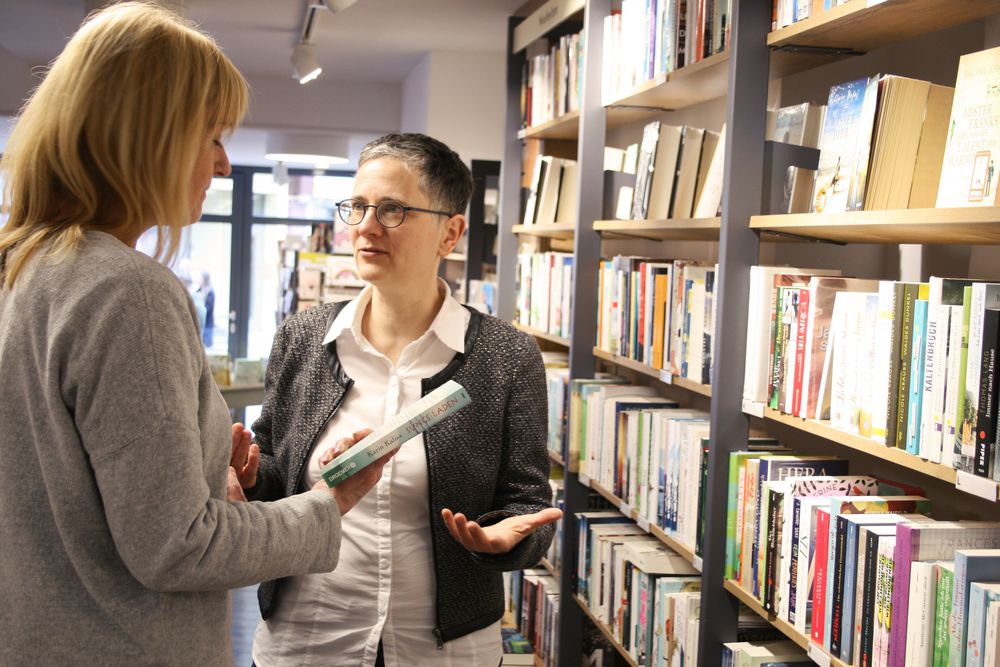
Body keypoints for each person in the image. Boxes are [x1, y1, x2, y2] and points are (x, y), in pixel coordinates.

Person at [0, 4, 388, 664]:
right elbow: (179, 547)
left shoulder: (24, 266)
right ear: (146, 137)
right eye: (211, 137)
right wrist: (328, 503)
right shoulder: (128, 292)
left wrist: (204, 465)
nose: (224, 165)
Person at [240, 132, 562, 666]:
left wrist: (506, 542)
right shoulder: (303, 339)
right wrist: (252, 477)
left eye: (392, 210)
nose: (366, 226)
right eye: (358, 206)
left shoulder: (506, 356)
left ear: (450, 233)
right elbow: (276, 474)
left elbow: (527, 504)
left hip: (443, 652)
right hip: (309, 639)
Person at [199, 270, 217, 347]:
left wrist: (201, 309)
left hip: (207, 323)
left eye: (200, 278)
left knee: (207, 345)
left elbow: (208, 308)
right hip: (202, 323)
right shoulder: (201, 290)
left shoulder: (210, 291)